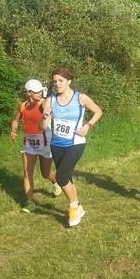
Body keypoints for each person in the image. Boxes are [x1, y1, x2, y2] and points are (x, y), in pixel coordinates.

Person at [40, 66, 103, 227]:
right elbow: (42, 127)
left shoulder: (80, 98)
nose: (57, 84)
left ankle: (73, 206)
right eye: (55, 81)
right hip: (56, 143)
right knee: (66, 176)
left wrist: (87, 126)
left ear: (69, 81)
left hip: (75, 143)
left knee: (60, 177)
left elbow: (98, 111)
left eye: (60, 80)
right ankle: (78, 206)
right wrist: (46, 115)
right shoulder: (50, 100)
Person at [10, 79, 61, 213]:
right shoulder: (22, 106)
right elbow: (16, 119)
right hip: (29, 144)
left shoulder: (43, 104)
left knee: (45, 173)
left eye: (40, 91)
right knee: (28, 172)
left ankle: (57, 183)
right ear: (28, 93)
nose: (40, 93)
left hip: (45, 143)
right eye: (36, 92)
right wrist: (13, 130)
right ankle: (29, 202)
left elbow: (54, 110)